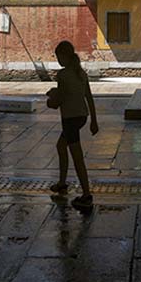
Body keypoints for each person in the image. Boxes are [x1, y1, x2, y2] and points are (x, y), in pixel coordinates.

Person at [47, 40, 99, 210]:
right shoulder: (81, 73)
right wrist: (94, 121)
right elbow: (89, 97)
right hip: (82, 116)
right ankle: (62, 183)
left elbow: (59, 100)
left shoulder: (62, 75)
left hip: (70, 118)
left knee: (77, 157)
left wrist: (50, 99)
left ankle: (86, 194)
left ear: (64, 56)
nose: (57, 60)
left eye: (58, 57)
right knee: (61, 146)